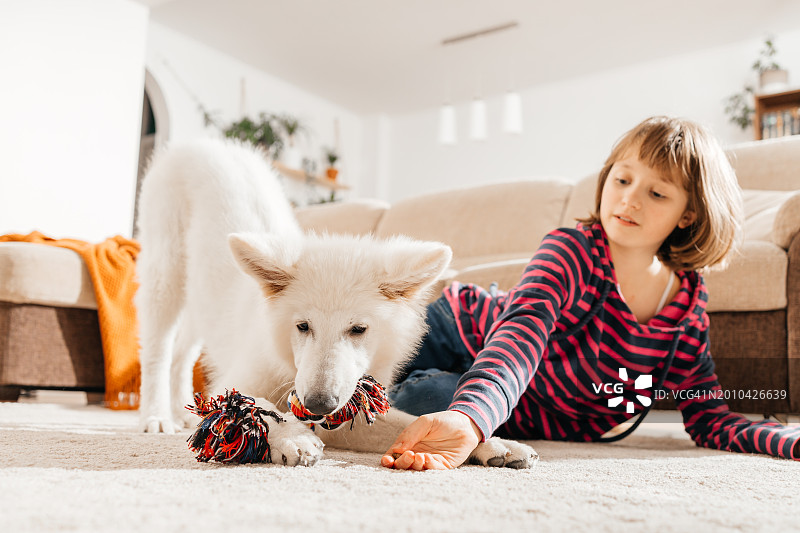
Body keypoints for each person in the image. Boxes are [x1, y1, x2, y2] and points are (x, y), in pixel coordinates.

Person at [381, 116, 800, 471]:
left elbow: (711, 417)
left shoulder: (686, 307)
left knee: (427, 400)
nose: (629, 199)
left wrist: (789, 440)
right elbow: (519, 340)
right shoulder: (571, 250)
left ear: (688, 214)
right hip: (460, 327)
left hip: (529, 404)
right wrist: (473, 419)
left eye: (657, 193)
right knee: (360, 368)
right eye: (622, 179)